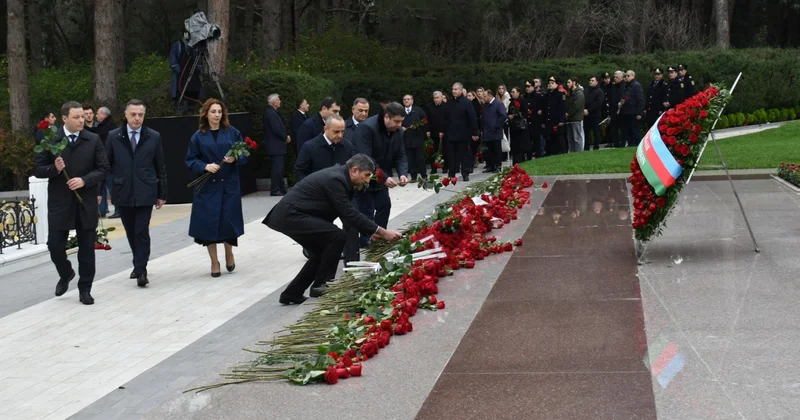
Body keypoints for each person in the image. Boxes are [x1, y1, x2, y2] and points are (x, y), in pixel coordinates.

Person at [263, 154, 403, 304]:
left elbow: (349, 217)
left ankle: (292, 293)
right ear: (354, 170)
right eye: (367, 175)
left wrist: (371, 233)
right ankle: (323, 285)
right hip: (291, 215)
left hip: (295, 215)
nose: (368, 180)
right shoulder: (336, 179)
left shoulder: (344, 179)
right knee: (336, 236)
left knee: (321, 251)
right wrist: (382, 231)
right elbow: (350, 214)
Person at [33, 101, 109, 305]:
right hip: (60, 202)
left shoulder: (92, 139)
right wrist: (54, 169)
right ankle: (66, 273)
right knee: (55, 246)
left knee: (86, 249)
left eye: (82, 116)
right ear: (64, 119)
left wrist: (85, 180)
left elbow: (103, 168)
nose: (81, 120)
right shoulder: (51, 141)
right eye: (76, 117)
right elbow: (38, 169)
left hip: (85, 201)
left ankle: (85, 289)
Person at [104, 99, 167, 287]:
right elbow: (106, 165)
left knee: (141, 231)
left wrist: (162, 193)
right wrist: (105, 189)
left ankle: (141, 270)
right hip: (123, 191)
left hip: (145, 190)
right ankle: (138, 262)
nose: (137, 118)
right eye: (133, 114)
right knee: (131, 231)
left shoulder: (153, 136)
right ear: (126, 114)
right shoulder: (114, 136)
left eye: (140, 114)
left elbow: (160, 166)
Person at [185, 99, 247, 277]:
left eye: (219, 111)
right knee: (208, 224)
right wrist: (205, 166)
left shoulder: (232, 132)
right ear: (206, 113)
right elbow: (190, 159)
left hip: (228, 184)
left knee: (228, 220)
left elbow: (243, 152)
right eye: (213, 112)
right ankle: (214, 260)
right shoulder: (198, 136)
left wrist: (236, 159)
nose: (217, 115)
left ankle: (229, 252)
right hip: (207, 187)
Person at [354, 102, 409, 247]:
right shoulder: (366, 128)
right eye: (396, 121)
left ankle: (378, 239)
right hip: (364, 178)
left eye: (401, 122)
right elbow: (366, 159)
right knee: (366, 210)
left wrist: (403, 173)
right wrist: (384, 178)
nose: (399, 125)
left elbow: (401, 154)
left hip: (382, 176)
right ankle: (364, 240)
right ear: (386, 117)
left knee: (384, 205)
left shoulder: (399, 131)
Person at [295, 115, 355, 182]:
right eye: (336, 132)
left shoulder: (347, 146)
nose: (340, 135)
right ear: (325, 128)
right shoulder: (310, 147)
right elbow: (299, 171)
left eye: (342, 131)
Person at [446, 82, 479, 181]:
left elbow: (472, 118)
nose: (454, 91)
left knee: (464, 155)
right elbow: (446, 118)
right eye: (453, 89)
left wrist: (474, 132)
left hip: (463, 134)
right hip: (451, 134)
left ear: (461, 90)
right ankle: (451, 173)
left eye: (456, 89)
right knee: (451, 155)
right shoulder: (450, 103)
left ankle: (465, 173)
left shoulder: (466, 102)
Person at [263, 93, 290, 196]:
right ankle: (275, 189)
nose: (280, 102)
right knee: (277, 169)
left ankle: (281, 188)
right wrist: (285, 137)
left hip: (276, 146)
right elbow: (276, 129)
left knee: (279, 168)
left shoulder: (272, 112)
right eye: (278, 100)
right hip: (276, 146)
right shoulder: (271, 113)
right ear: (274, 102)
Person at [95, 107, 118, 217]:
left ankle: (118, 209)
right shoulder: (105, 126)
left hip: (109, 161)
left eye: (98, 113)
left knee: (111, 185)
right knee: (103, 185)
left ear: (104, 115)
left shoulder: (107, 127)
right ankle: (102, 209)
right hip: (106, 160)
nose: (96, 116)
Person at [401, 94, 429, 180]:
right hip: (406, 139)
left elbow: (425, 121)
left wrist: (418, 126)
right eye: (404, 99)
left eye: (408, 99)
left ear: (412, 101)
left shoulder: (418, 110)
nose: (406, 101)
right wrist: (400, 127)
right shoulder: (400, 111)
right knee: (410, 159)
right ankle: (413, 176)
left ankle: (424, 175)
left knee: (420, 158)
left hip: (417, 138)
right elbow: (395, 121)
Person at [480, 88, 506, 172]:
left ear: (490, 96)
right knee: (488, 151)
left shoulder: (498, 104)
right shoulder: (486, 105)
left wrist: (496, 125)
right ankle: (490, 166)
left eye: (485, 96)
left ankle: (497, 166)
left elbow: (503, 115)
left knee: (496, 150)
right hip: (487, 131)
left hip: (495, 132)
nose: (483, 98)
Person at [542, 77, 567, 156]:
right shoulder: (546, 96)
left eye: (552, 83)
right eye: (549, 83)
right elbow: (545, 109)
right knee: (550, 139)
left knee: (559, 138)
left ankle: (562, 152)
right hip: (549, 121)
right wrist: (543, 121)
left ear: (556, 84)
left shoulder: (560, 95)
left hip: (557, 120)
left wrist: (562, 120)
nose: (550, 85)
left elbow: (563, 108)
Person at [620, 70, 645, 147]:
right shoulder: (626, 86)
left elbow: (640, 100)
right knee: (628, 130)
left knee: (635, 130)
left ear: (633, 76)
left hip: (634, 112)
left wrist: (639, 113)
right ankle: (631, 144)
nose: (626, 77)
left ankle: (639, 145)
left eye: (628, 76)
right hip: (627, 111)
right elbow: (624, 97)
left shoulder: (636, 85)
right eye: (625, 76)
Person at [426, 91, 449, 173]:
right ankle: (433, 168)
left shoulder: (446, 107)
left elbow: (447, 120)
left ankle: (445, 167)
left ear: (441, 97)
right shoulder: (429, 107)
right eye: (434, 98)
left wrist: (442, 131)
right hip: (433, 132)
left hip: (444, 132)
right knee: (433, 150)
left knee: (444, 150)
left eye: (437, 98)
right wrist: (427, 130)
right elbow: (426, 120)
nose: (436, 99)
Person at [507, 87, 532, 164]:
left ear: (518, 93)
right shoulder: (512, 102)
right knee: (515, 147)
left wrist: (515, 115)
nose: (512, 93)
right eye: (511, 92)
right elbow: (509, 111)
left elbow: (524, 113)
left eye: (514, 92)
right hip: (514, 127)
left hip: (521, 127)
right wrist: (509, 116)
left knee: (521, 146)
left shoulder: (522, 101)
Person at [565, 77, 586, 153]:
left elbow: (576, 105)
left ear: (574, 83)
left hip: (576, 119)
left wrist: (568, 113)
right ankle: (572, 152)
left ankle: (579, 152)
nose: (567, 84)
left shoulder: (579, 93)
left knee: (577, 138)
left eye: (569, 82)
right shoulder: (569, 93)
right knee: (570, 138)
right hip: (570, 119)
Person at [583, 76, 604, 151]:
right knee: (586, 132)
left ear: (596, 82)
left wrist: (588, 110)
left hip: (595, 115)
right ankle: (586, 146)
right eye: (590, 80)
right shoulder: (586, 91)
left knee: (596, 132)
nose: (590, 82)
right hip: (586, 115)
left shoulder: (599, 91)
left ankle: (596, 146)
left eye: (592, 80)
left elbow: (598, 103)